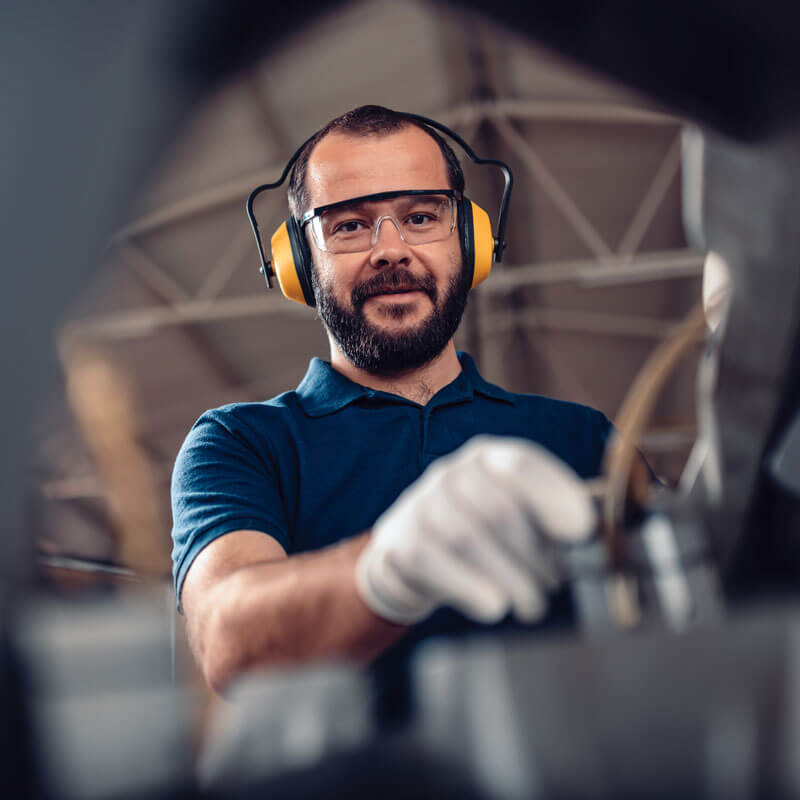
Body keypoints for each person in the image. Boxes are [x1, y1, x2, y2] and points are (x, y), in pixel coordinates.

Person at [171, 105, 612, 695]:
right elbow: (227, 639)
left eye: (422, 216)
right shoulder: (241, 443)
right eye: (349, 225)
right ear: (297, 263)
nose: (390, 250)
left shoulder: (583, 438)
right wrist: (388, 570)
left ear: (471, 240)